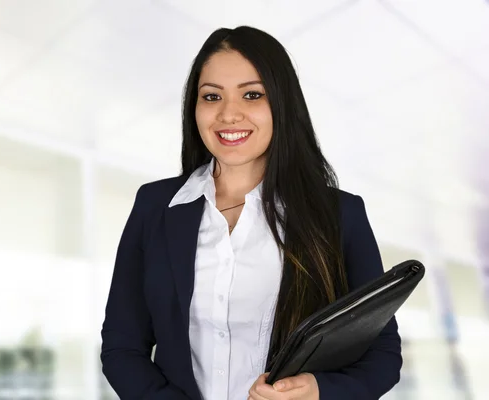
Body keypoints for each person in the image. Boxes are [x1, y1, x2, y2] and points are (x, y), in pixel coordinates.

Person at [100, 26, 401, 400]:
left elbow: (383, 354)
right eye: (212, 96)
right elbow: (121, 347)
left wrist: (320, 390)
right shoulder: (155, 206)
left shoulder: (339, 214)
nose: (229, 114)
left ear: (281, 103)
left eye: (252, 95)